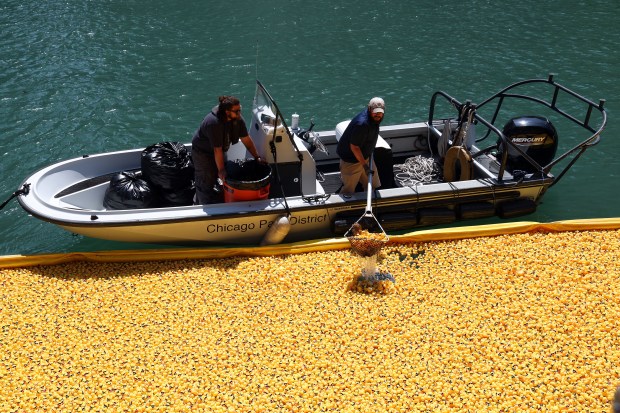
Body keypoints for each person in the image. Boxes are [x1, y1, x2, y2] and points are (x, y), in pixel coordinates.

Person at [191, 96, 263, 204]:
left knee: (223, 174)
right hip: (203, 153)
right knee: (206, 181)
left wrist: (257, 157)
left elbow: (246, 139)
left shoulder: (237, 119)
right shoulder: (213, 123)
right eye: (236, 111)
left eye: (240, 110)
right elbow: (217, 150)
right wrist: (221, 170)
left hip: (219, 150)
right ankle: (202, 207)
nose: (239, 113)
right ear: (227, 111)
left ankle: (218, 199)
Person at [336, 97, 385, 196]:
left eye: (380, 112)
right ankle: (342, 210)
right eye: (375, 112)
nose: (378, 115)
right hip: (352, 161)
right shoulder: (362, 124)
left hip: (365, 157)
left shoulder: (375, 119)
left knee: (372, 185)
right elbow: (354, 147)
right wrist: (365, 166)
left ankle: (369, 204)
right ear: (369, 108)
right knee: (348, 191)